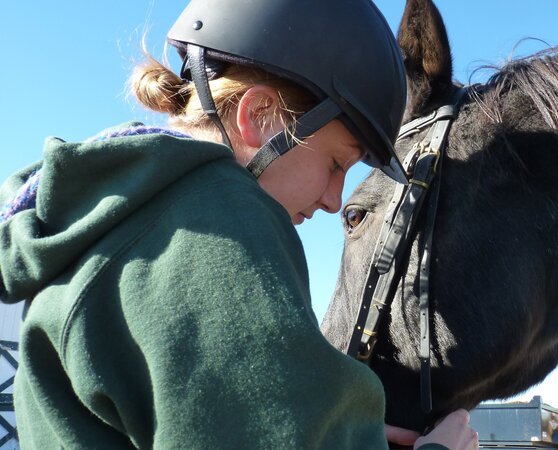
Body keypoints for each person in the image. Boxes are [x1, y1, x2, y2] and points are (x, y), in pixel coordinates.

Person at [0, 0, 478, 448]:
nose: (335, 201)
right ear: (259, 115)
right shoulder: (219, 218)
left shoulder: (105, 224)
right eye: (337, 163)